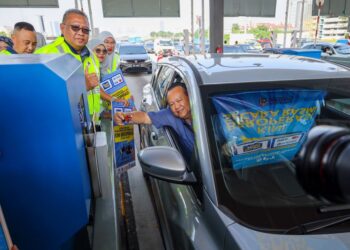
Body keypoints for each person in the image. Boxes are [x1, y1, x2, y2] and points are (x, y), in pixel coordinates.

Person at [35, 9, 101, 124]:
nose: (81, 33)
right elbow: (39, 98)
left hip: (92, 123)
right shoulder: (45, 55)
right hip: (63, 125)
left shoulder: (92, 56)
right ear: (62, 28)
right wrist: (81, 87)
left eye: (85, 30)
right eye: (75, 28)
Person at [114, 81, 194, 162]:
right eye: (172, 104)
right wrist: (124, 117)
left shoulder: (205, 113)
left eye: (179, 100)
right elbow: (144, 117)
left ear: (190, 97)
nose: (176, 106)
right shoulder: (170, 115)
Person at [87, 38, 128, 105]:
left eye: (104, 51)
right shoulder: (88, 66)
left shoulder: (97, 66)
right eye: (98, 50)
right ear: (91, 50)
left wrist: (126, 96)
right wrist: (114, 100)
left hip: (97, 108)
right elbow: (97, 89)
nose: (101, 53)